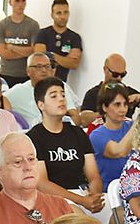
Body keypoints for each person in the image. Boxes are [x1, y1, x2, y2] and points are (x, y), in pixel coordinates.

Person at [27, 78, 103, 213]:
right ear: (41, 105)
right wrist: (81, 201)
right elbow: (42, 183)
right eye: (54, 96)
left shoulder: (78, 133)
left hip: (83, 195)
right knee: (82, 223)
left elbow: (93, 175)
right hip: (54, 199)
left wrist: (94, 196)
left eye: (63, 95)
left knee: (126, 217)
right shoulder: (34, 138)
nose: (61, 99)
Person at [75, 54, 140, 126]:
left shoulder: (128, 92)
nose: (119, 78)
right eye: (115, 74)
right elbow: (84, 118)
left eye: (122, 75)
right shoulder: (93, 93)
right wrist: (110, 113)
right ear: (105, 69)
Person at [0, 0, 38, 89]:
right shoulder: (2, 25)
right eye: (17, 1)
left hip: (26, 75)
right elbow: (3, 53)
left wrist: (13, 48)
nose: (20, 5)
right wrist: (25, 51)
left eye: (23, 1)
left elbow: (34, 51)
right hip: (6, 74)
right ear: (10, 2)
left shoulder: (33, 25)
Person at [32, 0, 82, 82]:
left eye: (65, 12)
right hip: (41, 83)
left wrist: (52, 55)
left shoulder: (74, 37)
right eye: (59, 13)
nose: (63, 16)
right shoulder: (42, 33)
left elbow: (74, 64)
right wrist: (65, 59)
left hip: (62, 84)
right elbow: (40, 59)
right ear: (52, 15)